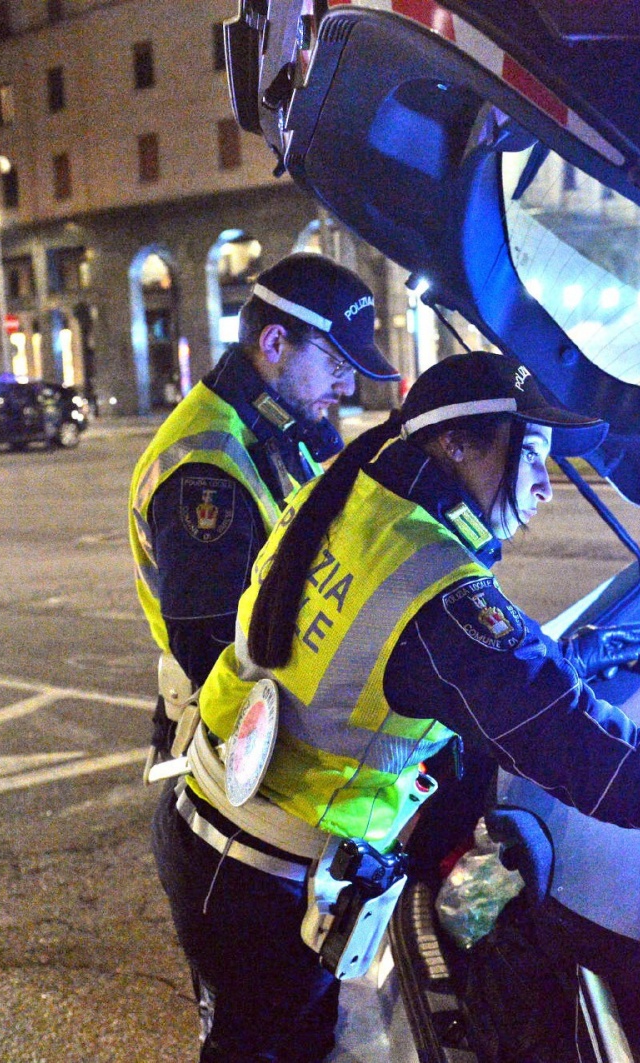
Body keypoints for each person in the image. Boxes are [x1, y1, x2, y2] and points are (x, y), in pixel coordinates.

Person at [156, 351, 640, 1062]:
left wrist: (568, 666)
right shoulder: (433, 592)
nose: (543, 487)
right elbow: (607, 765)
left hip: (218, 835)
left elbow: (427, 681)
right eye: (530, 456)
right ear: (457, 445)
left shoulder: (364, 500)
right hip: (257, 882)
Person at [130, 253, 396, 1022]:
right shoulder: (208, 467)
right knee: (257, 1022)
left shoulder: (279, 430)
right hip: (235, 782)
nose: (345, 385)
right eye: (335, 364)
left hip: (265, 771)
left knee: (293, 1017)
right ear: (275, 343)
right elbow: (214, 652)